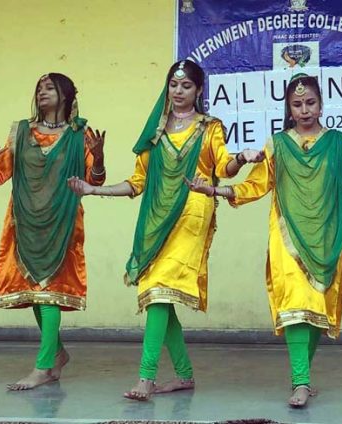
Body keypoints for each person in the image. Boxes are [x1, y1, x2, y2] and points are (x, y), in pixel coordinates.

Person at [186, 73, 342, 407]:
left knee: (316, 310)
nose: (304, 110)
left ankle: (302, 376)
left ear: (321, 104)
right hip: (286, 236)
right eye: (297, 104)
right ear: (288, 107)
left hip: (326, 236)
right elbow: (255, 186)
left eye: (310, 102)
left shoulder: (337, 142)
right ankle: (300, 382)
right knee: (297, 307)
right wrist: (214, 189)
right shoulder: (278, 145)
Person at [68, 60, 258, 401]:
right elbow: (137, 183)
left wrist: (241, 159)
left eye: (186, 86)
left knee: (158, 292)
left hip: (192, 214)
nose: (179, 91)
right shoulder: (155, 132)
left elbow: (223, 168)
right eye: (174, 85)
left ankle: (145, 377)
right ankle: (184, 375)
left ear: (199, 90)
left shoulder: (210, 127)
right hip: (156, 218)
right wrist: (92, 188)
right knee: (162, 297)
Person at [0, 73, 105, 390]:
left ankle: (42, 367)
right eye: (39, 88)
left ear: (66, 95)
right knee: (37, 294)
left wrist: (99, 158)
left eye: (49, 87)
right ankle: (57, 354)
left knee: (49, 292)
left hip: (62, 222)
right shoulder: (21, 131)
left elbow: (95, 181)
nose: (42, 92)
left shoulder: (81, 135)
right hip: (24, 221)